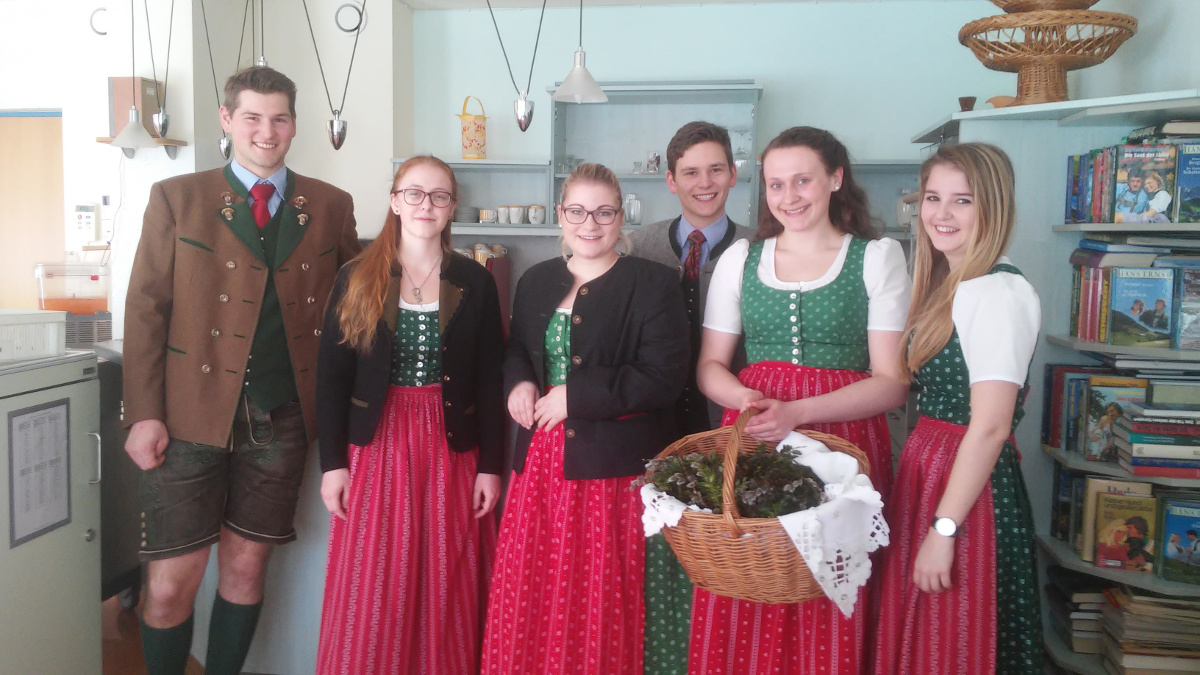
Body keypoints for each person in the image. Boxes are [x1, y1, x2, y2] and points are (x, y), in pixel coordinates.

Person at [122, 66, 360, 675]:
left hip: (282, 419)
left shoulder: (330, 206)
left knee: (247, 569)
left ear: (294, 125)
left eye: (279, 118)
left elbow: (358, 306)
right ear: (227, 120)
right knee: (170, 585)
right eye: (252, 117)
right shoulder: (177, 198)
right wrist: (143, 413)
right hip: (187, 419)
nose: (266, 131)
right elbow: (146, 309)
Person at [692, 126, 912, 674]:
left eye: (802, 181)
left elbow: (892, 382)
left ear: (836, 179)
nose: (788, 196)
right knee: (750, 568)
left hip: (843, 440)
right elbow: (709, 367)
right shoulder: (741, 258)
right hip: (756, 434)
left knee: (828, 582)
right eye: (775, 184)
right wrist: (744, 397)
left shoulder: (876, 258)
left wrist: (799, 412)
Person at [481, 163, 689, 675]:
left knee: (601, 595)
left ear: (621, 216)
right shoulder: (536, 279)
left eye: (603, 212)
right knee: (535, 590)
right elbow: (517, 350)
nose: (589, 224)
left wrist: (576, 397)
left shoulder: (655, 283)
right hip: (539, 465)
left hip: (613, 473)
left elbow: (664, 377)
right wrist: (520, 382)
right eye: (577, 211)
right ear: (560, 214)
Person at [314, 156, 504, 673]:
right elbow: (331, 377)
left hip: (451, 443)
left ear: (452, 207)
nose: (426, 205)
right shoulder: (357, 276)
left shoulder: (476, 280)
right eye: (414, 193)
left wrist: (491, 465)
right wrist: (333, 464)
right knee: (375, 579)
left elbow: (490, 379)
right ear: (395, 202)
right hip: (378, 442)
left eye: (439, 196)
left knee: (448, 570)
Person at [872, 142, 1043, 675]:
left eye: (962, 200)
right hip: (935, 470)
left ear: (993, 207)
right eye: (933, 197)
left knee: (955, 641)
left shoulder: (996, 293)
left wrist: (944, 530)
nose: (942, 214)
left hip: (967, 488)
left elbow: (990, 427)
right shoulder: (956, 284)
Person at [626, 121, 754, 675]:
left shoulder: (758, 248)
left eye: (716, 170)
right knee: (656, 549)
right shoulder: (638, 246)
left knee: (724, 546)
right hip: (650, 421)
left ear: (733, 174)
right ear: (671, 180)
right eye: (691, 172)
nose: (705, 183)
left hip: (727, 422)